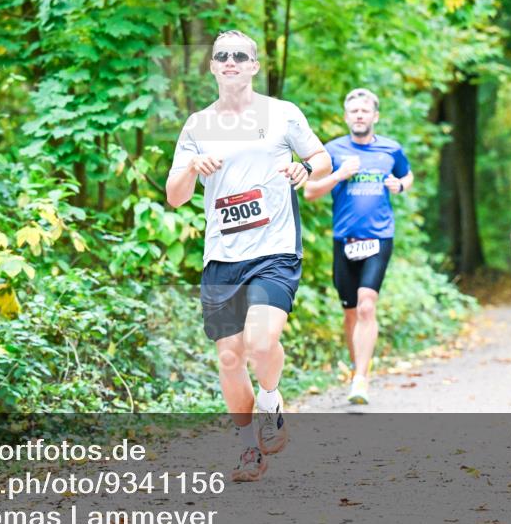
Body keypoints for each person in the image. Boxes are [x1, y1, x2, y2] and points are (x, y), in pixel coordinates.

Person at [166, 30, 330, 482]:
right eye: (223, 56)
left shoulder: (282, 114)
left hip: (274, 249)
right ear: (213, 67)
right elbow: (175, 195)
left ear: (255, 65)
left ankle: (271, 400)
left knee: (260, 342)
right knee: (229, 358)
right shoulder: (198, 125)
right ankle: (247, 450)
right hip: (222, 257)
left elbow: (321, 158)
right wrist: (191, 169)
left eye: (241, 55)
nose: (231, 61)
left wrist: (305, 167)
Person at [303, 88, 413, 405]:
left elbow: (408, 176)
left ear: (375, 116)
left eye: (365, 111)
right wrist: (339, 174)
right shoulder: (333, 150)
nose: (360, 115)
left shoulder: (391, 150)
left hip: (379, 237)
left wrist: (401, 185)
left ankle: (361, 380)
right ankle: (356, 370)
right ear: (346, 116)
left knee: (367, 306)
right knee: (351, 313)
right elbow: (310, 191)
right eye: (354, 111)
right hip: (344, 240)